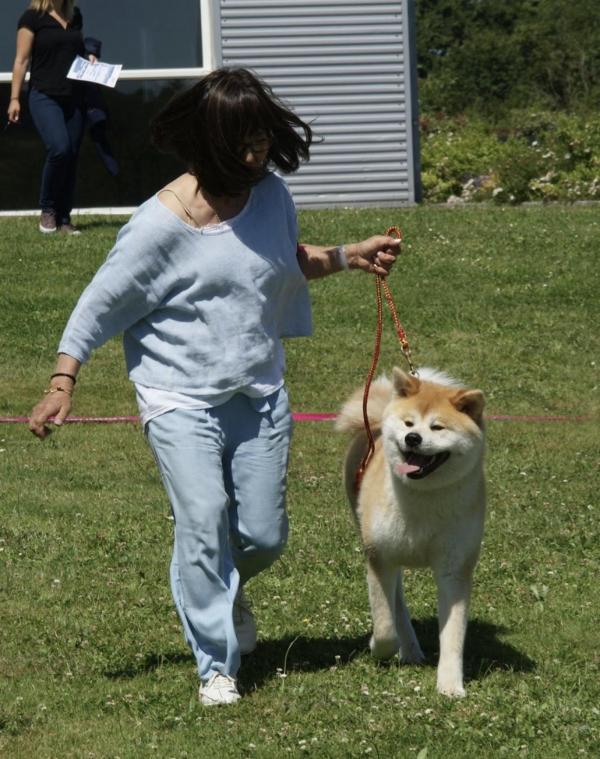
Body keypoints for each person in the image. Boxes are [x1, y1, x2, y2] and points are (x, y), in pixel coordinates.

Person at [28, 67, 401, 706]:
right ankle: (216, 666)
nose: (257, 156)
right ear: (210, 142)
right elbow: (99, 304)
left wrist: (345, 256)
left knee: (261, 536)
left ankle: (221, 588)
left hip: (256, 390)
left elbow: (280, 259)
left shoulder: (273, 196)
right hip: (177, 395)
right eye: (244, 145)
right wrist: (64, 380)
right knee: (202, 521)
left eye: (263, 141)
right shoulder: (158, 226)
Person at [7, 1, 98, 235]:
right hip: (44, 95)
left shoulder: (74, 16)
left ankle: (64, 218)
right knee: (60, 148)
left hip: (74, 97)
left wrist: (90, 56)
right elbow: (21, 60)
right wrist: (14, 98)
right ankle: (48, 210)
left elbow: (74, 52)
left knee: (72, 156)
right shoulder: (32, 18)